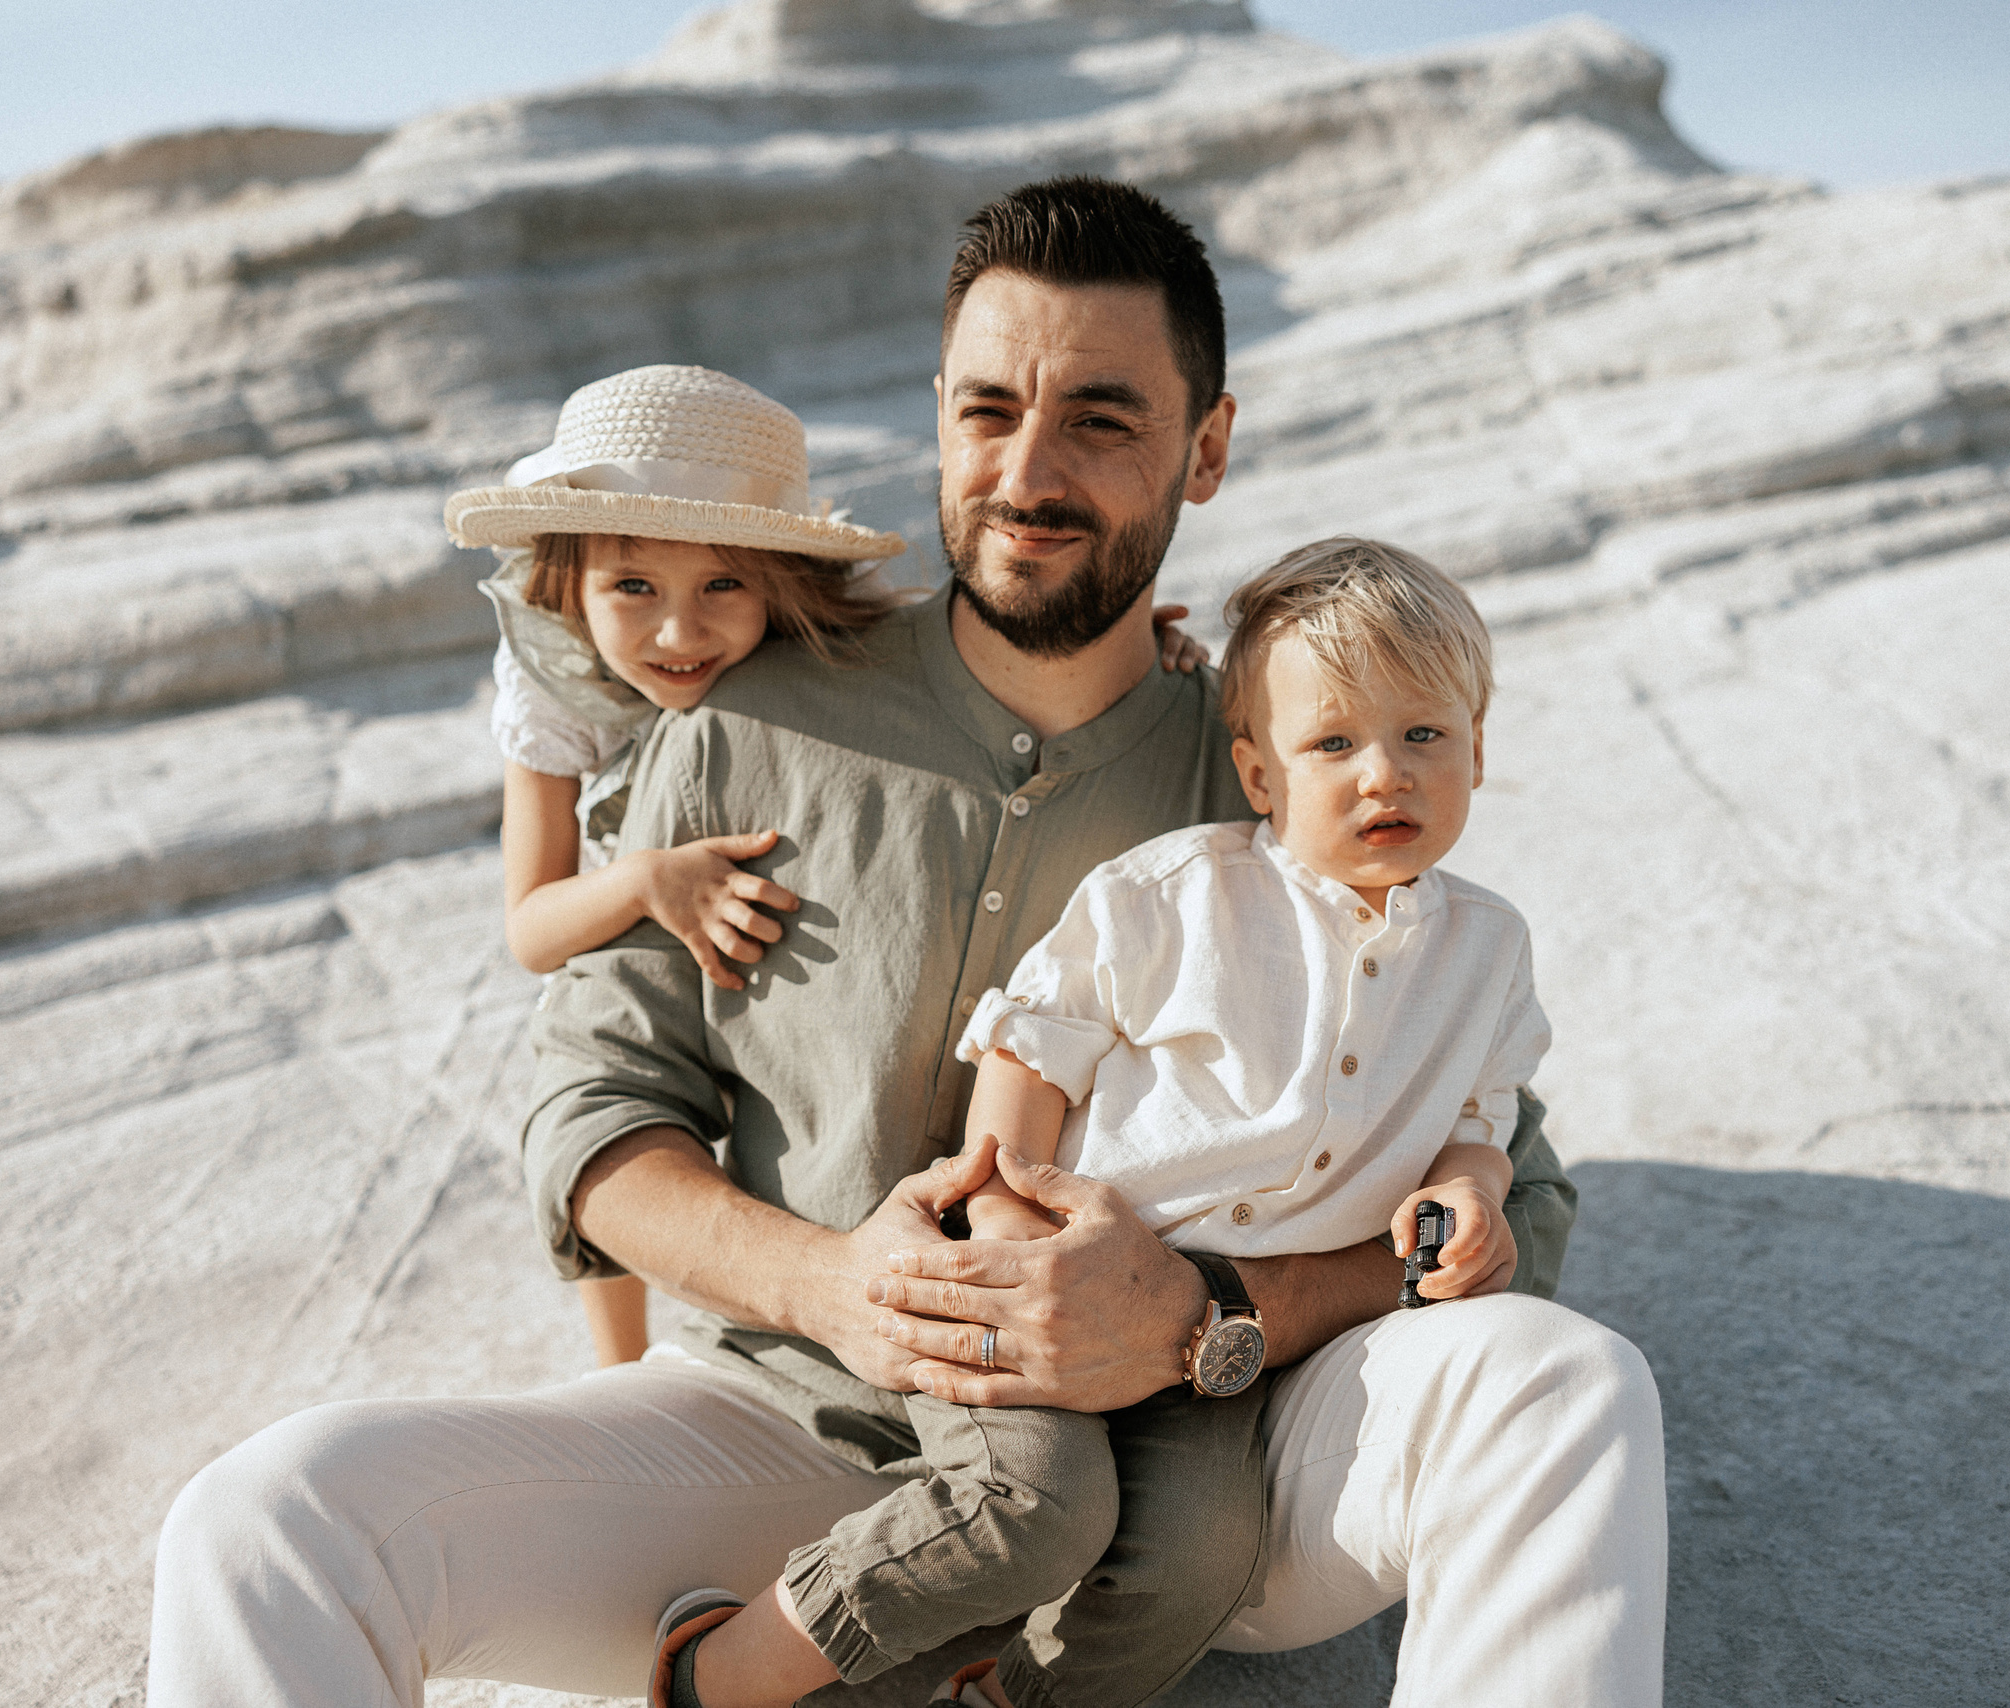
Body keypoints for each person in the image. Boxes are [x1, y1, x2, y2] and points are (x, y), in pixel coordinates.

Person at [148, 175, 1666, 1708]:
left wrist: (1214, 1316)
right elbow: (592, 1119)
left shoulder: (1277, 769)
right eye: (989, 409)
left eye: (1101, 419)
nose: (1029, 471)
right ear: (939, 414)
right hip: (783, 1432)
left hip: (1206, 1462)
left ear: (1206, 449)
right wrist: (831, 1288)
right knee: (271, 1525)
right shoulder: (743, 722)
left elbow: (1516, 1191)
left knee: (1564, 1384)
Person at [650, 535, 1553, 1708]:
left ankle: (1010, 1700)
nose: (1385, 775)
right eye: (1333, 744)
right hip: (1039, 1278)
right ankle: (721, 1670)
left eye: (1422, 734)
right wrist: (1002, 1218)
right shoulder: (1174, 894)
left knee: (1199, 1561)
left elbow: (1480, 1115)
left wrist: (1472, 1188)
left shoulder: (1489, 949)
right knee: (1032, 1506)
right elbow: (1030, 1047)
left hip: (1212, 1346)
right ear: (1259, 773)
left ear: (1477, 750)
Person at [465, 363, 1209, 1367]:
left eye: (723, 584)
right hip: (609, 903)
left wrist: (1124, 639)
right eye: (631, 586)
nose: (679, 631)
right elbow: (529, 926)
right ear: (567, 586)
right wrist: (646, 879)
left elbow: (962, 638)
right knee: (618, 1087)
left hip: (723, 877)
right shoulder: (547, 694)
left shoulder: (819, 656)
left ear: (781, 582)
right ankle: (619, 1361)